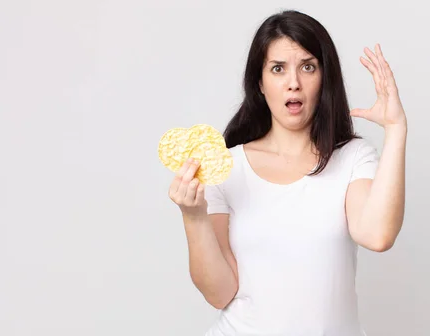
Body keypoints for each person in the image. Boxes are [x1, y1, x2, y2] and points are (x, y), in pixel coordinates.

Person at [168, 9, 407, 336]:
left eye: (308, 67)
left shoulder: (352, 157)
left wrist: (395, 128)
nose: (293, 83)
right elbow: (219, 292)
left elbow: (377, 235)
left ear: (324, 78)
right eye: (278, 69)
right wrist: (193, 216)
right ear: (260, 83)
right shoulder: (227, 168)